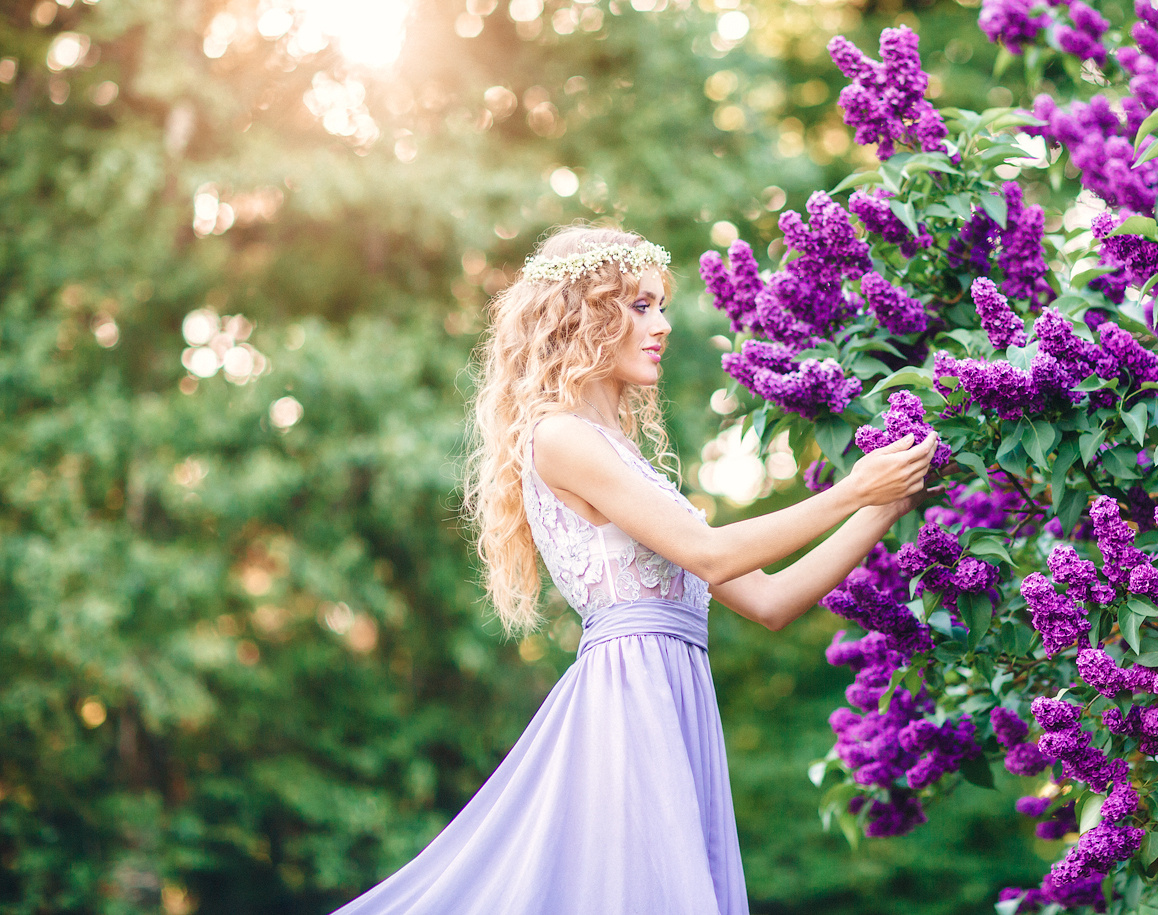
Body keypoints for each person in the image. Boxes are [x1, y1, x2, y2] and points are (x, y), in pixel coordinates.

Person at [331, 224, 938, 915]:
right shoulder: (560, 437)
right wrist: (852, 488)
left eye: (659, 305)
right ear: (585, 314)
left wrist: (889, 503)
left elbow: (770, 599)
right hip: (629, 703)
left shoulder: (629, 460)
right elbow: (713, 554)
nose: (664, 324)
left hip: (676, 698)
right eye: (641, 305)